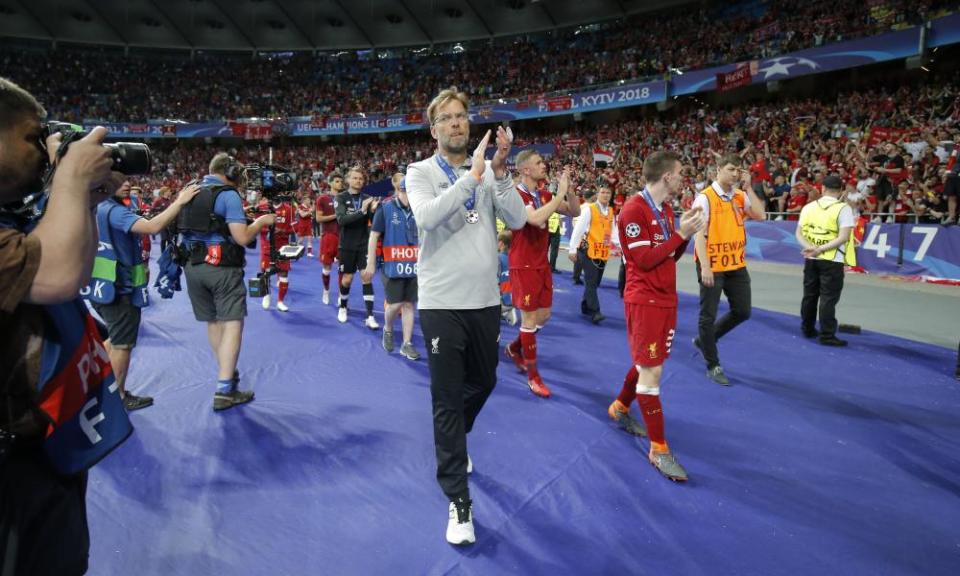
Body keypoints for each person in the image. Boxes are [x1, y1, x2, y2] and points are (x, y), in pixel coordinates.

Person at [0, 76, 132, 576]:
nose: (46, 149)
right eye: (34, 137)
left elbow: (69, 261)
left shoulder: (12, 212)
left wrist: (86, 198)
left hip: (39, 451)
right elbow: (56, 275)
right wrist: (70, 180)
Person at [405, 87, 526, 546]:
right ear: (434, 129)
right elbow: (429, 218)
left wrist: (499, 173)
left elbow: (516, 221)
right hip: (440, 304)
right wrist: (473, 177)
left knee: (487, 381)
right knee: (446, 399)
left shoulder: (487, 173)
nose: (457, 123)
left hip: (485, 302)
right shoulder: (418, 172)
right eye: (448, 118)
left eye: (462, 116)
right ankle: (459, 503)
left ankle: (454, 434)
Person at [609, 151, 705, 482]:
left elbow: (669, 255)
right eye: (679, 173)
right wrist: (680, 235)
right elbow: (646, 260)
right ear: (666, 176)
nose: (682, 179)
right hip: (645, 300)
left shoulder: (664, 209)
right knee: (652, 371)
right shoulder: (634, 209)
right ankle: (658, 449)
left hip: (665, 298)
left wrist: (685, 233)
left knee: (646, 362)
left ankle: (620, 407)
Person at [86, 179, 200, 410]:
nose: (126, 183)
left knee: (116, 337)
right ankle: (118, 396)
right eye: (118, 180)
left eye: (127, 179)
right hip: (120, 288)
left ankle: (97, 383)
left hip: (100, 284)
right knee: (123, 344)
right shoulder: (116, 211)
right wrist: (180, 201)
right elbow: (152, 227)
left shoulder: (95, 206)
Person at [178, 152, 276, 411]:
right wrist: (260, 222)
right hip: (221, 267)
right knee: (232, 323)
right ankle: (224, 389)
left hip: (192, 267)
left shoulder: (190, 189)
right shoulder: (228, 195)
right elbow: (242, 238)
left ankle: (227, 377)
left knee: (213, 322)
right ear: (230, 172)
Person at [503, 155, 578, 398]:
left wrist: (569, 188)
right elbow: (534, 219)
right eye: (538, 162)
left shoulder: (544, 194)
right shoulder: (516, 194)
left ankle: (515, 348)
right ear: (525, 169)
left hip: (541, 264)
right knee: (529, 319)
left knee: (543, 316)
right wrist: (559, 195)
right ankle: (534, 377)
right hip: (523, 265)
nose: (544, 165)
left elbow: (574, 210)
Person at [692, 153, 765, 386]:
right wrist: (705, 266)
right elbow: (698, 235)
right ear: (718, 170)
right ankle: (713, 364)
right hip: (712, 265)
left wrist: (749, 188)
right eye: (731, 169)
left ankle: (706, 340)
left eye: (738, 170)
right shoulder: (705, 198)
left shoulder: (740, 196)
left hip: (736, 264)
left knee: (743, 311)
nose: (735, 173)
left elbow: (761, 215)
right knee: (708, 314)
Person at [362, 176, 420, 360]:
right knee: (395, 304)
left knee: (409, 304)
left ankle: (407, 343)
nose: (408, 196)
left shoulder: (419, 210)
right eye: (404, 192)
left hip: (414, 266)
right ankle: (388, 328)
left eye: (411, 192)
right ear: (397, 191)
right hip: (392, 265)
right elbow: (373, 236)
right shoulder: (386, 208)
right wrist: (371, 263)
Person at [795, 175, 856, 346]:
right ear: (841, 191)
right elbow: (844, 237)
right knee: (828, 298)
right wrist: (820, 249)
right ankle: (827, 335)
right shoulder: (843, 209)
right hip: (832, 259)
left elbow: (798, 233)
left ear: (822, 189)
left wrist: (810, 248)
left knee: (809, 295)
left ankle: (807, 328)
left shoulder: (808, 207)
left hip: (811, 258)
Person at [334, 166, 380, 328]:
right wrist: (362, 210)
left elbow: (373, 221)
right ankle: (343, 307)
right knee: (347, 280)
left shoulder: (367, 198)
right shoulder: (340, 197)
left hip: (363, 245)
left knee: (366, 277)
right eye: (355, 178)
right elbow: (342, 220)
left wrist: (373, 211)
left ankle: (370, 316)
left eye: (360, 178)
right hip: (346, 245)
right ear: (348, 180)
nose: (358, 181)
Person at [568, 185, 619, 324]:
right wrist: (572, 249)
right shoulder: (589, 209)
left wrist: (620, 246)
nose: (605, 194)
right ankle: (595, 311)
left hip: (602, 252)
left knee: (595, 282)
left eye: (608, 192)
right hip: (587, 250)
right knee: (591, 281)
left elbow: (613, 232)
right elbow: (578, 229)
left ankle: (585, 305)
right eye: (603, 192)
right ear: (597, 194)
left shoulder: (610, 211)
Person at [258, 196, 297, 312]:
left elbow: (295, 229)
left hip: (283, 247)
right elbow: (255, 226)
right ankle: (266, 295)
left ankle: (280, 301)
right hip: (267, 246)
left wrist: (282, 231)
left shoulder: (289, 209)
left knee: (284, 273)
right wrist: (268, 230)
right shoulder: (262, 208)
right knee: (266, 272)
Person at [316, 172, 341, 305]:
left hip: (342, 237)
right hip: (328, 236)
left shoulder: (345, 198)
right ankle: (326, 291)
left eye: (340, 181)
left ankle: (341, 295)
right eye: (336, 181)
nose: (339, 183)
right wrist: (336, 216)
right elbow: (318, 218)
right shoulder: (322, 199)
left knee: (342, 268)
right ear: (330, 183)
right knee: (327, 268)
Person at [497, 229, 518, 326]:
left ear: (501, 243)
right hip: (516, 298)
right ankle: (507, 308)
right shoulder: (516, 258)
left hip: (503, 298)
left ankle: (504, 309)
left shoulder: (498, 258)